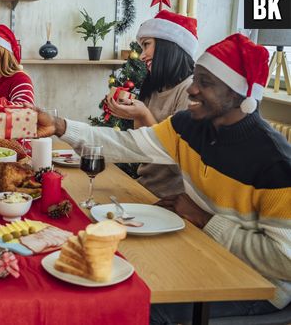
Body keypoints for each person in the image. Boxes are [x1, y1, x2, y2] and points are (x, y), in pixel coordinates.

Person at [35, 33, 291, 322]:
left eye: (205, 83)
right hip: (201, 251)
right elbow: (126, 144)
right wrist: (59, 126)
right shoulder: (189, 126)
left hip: (257, 286)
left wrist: (204, 219)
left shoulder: (276, 162)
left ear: (238, 95)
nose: (192, 90)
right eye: (195, 79)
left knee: (131, 305)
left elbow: (284, 262)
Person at [106, 10, 197, 198]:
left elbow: (177, 160)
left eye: (146, 45)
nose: (141, 56)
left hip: (171, 198)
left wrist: (144, 114)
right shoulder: (155, 87)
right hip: (144, 187)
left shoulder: (190, 91)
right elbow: (144, 150)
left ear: (168, 46)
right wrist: (134, 114)